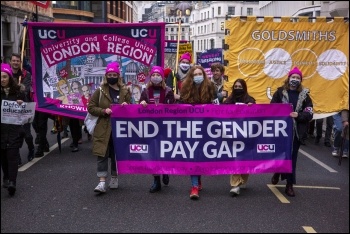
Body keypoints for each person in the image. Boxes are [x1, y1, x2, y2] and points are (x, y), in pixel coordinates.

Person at [87, 62, 132, 193]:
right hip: (103, 127)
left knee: (116, 154)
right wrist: (103, 111)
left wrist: (126, 105)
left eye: (114, 74)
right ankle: (101, 182)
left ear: (118, 76)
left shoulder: (125, 91)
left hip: (119, 128)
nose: (112, 76)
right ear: (106, 76)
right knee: (102, 154)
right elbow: (90, 107)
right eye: (109, 74)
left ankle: (114, 177)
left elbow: (132, 107)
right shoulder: (99, 91)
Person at [270, 67, 313, 197]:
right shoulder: (279, 93)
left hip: (296, 132)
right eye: (293, 77)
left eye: (298, 78)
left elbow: (309, 113)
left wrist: (298, 115)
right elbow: (272, 108)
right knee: (281, 155)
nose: (295, 80)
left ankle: (289, 184)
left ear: (301, 80)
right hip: (281, 131)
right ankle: (278, 171)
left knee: (292, 158)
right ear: (288, 78)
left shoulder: (305, 96)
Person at [179, 65, 217, 199]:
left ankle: (198, 178)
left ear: (204, 75)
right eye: (194, 74)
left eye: (199, 74)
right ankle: (194, 186)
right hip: (191, 127)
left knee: (202, 154)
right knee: (193, 154)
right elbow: (181, 105)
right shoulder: (186, 88)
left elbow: (217, 105)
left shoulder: (211, 87)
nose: (197, 76)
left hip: (207, 127)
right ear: (191, 76)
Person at [139, 66, 175, 193]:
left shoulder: (168, 91)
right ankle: (156, 180)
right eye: (153, 75)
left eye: (158, 75)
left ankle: (165, 171)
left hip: (165, 127)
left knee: (164, 152)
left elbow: (173, 108)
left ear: (162, 77)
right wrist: (142, 103)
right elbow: (139, 105)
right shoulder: (145, 90)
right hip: (150, 128)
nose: (155, 77)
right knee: (153, 154)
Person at [223, 79, 256, 196]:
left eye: (240, 86)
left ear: (244, 88)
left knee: (245, 159)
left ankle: (242, 180)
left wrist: (251, 108)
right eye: (235, 86)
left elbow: (257, 116)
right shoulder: (228, 100)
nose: (237, 88)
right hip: (233, 135)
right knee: (235, 159)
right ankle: (235, 184)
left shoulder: (250, 100)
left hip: (246, 135)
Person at [1, 63, 26, 196]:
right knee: (3, 156)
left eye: (4, 77)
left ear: (9, 77)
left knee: (12, 156)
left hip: (14, 129)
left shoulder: (18, 92)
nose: (2, 80)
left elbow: (27, 110)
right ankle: (5, 176)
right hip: (1, 131)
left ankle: (12, 182)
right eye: (0, 78)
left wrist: (22, 103)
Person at [10, 53, 35, 164]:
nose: (15, 62)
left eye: (17, 61)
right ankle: (17, 156)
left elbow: (25, 90)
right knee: (15, 135)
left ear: (20, 62)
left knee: (27, 134)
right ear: (10, 62)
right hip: (11, 108)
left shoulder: (26, 74)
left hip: (24, 106)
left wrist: (19, 89)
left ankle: (31, 148)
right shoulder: (7, 75)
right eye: (13, 60)